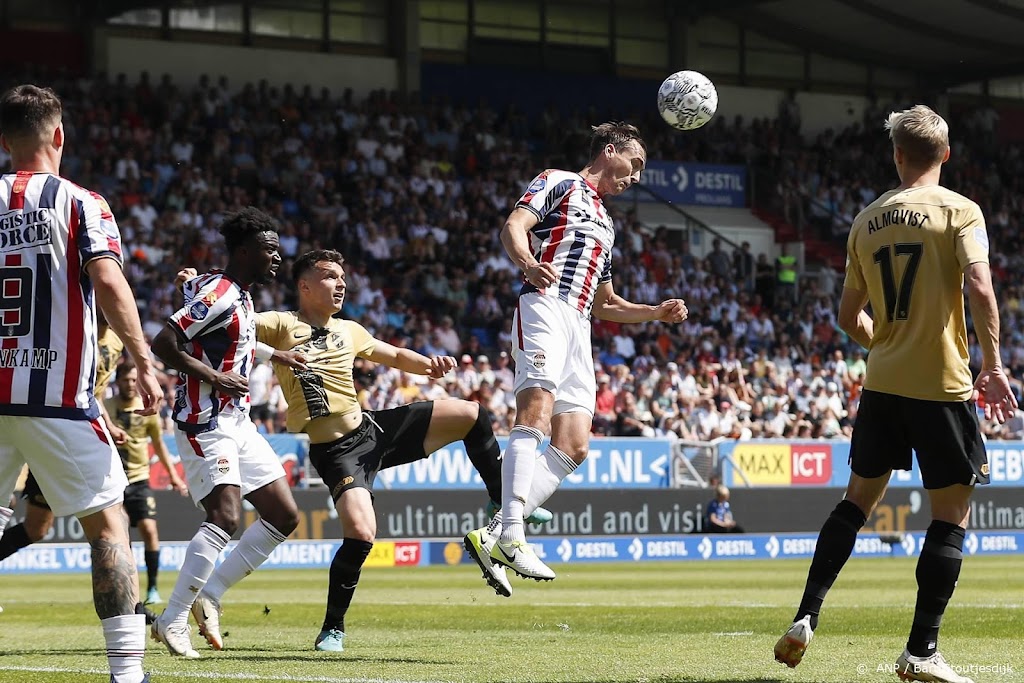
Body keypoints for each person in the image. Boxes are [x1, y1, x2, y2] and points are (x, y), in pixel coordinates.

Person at [773, 105, 1017, 683]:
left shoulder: (865, 219)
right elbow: (980, 286)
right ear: (947, 154)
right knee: (951, 516)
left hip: (881, 383)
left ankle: (807, 613)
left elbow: (846, 316)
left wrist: (884, 344)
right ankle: (921, 650)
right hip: (942, 384)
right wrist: (995, 364)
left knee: (855, 502)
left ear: (896, 156)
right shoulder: (962, 210)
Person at [255, 249, 547, 651]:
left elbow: (390, 354)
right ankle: (333, 628)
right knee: (361, 534)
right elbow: (233, 321)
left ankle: (500, 503)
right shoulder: (281, 324)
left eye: (343, 277)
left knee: (470, 414)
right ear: (304, 285)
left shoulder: (350, 330)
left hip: (373, 429)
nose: (340, 284)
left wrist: (429, 365)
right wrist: (196, 290)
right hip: (337, 452)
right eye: (329, 277)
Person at [464, 122, 687, 582]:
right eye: (635, 164)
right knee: (536, 409)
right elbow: (514, 227)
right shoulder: (557, 181)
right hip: (544, 306)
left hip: (580, 324)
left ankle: (493, 535)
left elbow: (606, 303)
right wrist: (528, 263)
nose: (636, 177)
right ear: (610, 152)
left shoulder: (606, 222)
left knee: (575, 443)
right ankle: (511, 536)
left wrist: (654, 313)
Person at [0, 84, 164, 683]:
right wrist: (143, 358)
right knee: (108, 526)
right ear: (59, 136)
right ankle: (126, 674)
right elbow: (109, 280)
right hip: (57, 398)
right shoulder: (82, 203)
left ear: (3, 141)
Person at [150, 208, 304, 658]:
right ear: (244, 250)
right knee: (226, 517)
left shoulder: (235, 292)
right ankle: (171, 619)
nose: (277, 257)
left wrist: (277, 354)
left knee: (284, 514)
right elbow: (165, 342)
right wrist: (214, 378)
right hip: (205, 420)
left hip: (237, 420)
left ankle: (209, 592)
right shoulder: (220, 292)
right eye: (269, 249)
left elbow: (233, 339)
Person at [106, 360, 189, 606]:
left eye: (134, 380)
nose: (130, 384)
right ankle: (124, 590)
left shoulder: (147, 409)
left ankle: (152, 587)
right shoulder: (107, 408)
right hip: (112, 481)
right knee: (119, 538)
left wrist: (174, 477)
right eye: (126, 380)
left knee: (150, 531)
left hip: (140, 479)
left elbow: (159, 446)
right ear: (117, 381)